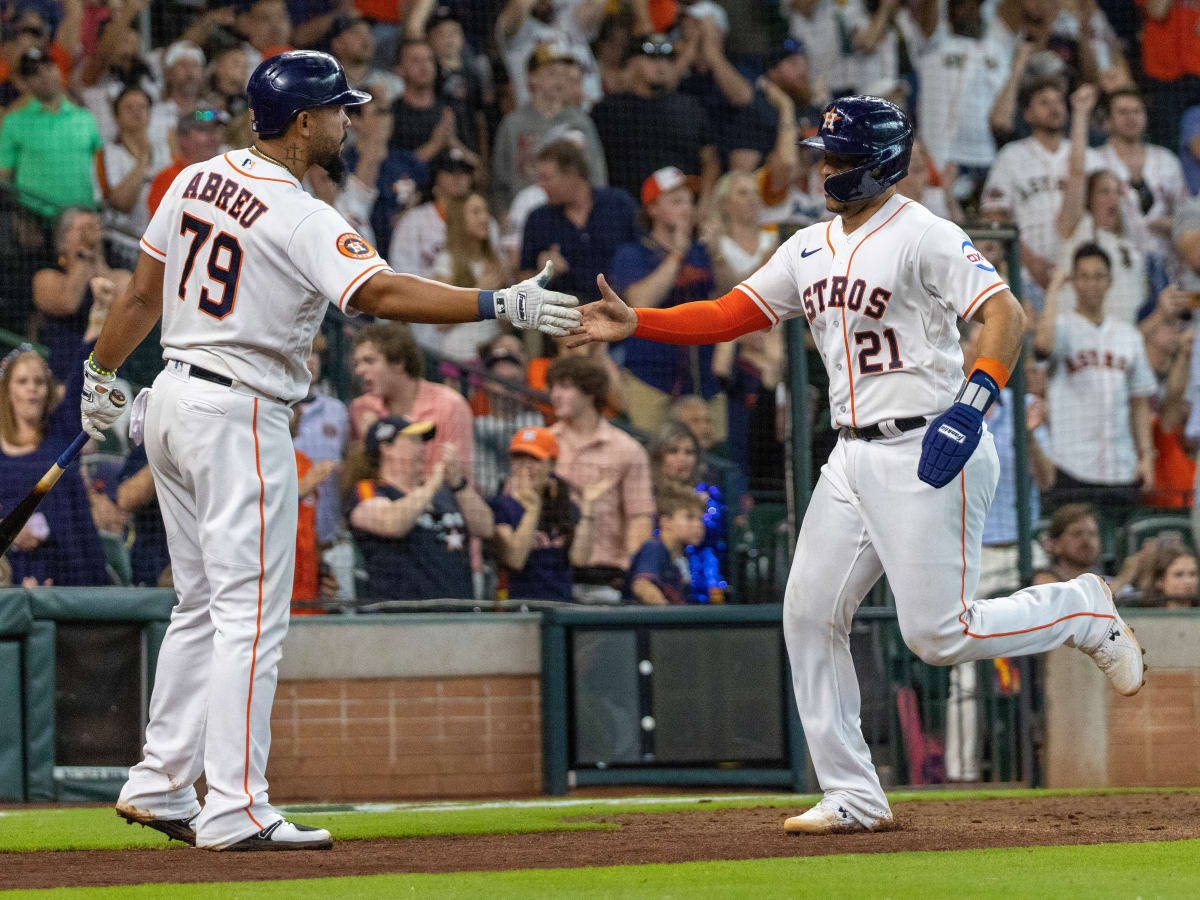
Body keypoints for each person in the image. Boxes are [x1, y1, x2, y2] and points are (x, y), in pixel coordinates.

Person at [568, 94, 1146, 834]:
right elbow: (731, 313)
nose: (825, 167)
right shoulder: (807, 245)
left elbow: (1006, 314)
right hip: (851, 452)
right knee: (808, 614)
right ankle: (853, 793)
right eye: (824, 154)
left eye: (839, 157)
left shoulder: (924, 233)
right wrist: (639, 321)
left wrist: (972, 404)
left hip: (931, 443)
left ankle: (1080, 608)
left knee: (937, 637)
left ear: (882, 164)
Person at [81, 50, 579, 853]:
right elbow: (377, 293)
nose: (350, 120)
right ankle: (235, 805)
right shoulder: (301, 212)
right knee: (248, 614)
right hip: (237, 407)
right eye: (339, 110)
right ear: (304, 121)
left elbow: (141, 293)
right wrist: (499, 301)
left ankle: (160, 779)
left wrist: (102, 369)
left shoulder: (192, 178)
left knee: (201, 605)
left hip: (169, 397)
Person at [1033, 245, 1157, 519]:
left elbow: (1139, 401)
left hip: (1121, 466)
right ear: (1074, 281)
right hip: (1072, 465)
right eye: (1084, 276)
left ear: (1110, 281)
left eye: (1099, 276)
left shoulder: (1128, 335)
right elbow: (1042, 345)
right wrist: (1054, 289)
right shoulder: (1063, 327)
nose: (1092, 284)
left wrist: (1146, 456)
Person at [608, 166, 721, 437]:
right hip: (651, 378)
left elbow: (732, 295)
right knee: (651, 455)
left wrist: (719, 255)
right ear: (653, 209)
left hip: (704, 378)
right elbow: (640, 302)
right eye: (676, 201)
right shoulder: (632, 253)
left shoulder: (703, 251)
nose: (687, 208)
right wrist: (677, 254)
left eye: (689, 201)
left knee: (716, 465)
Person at [349, 415, 493, 602]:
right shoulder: (369, 490)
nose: (422, 447)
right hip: (402, 617)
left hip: (458, 613)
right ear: (386, 447)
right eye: (413, 440)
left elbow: (485, 528)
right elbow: (393, 523)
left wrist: (459, 484)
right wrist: (433, 483)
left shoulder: (445, 492)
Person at [546, 355, 654, 602]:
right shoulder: (543, 444)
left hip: (607, 577)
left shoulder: (628, 449)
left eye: (565, 386)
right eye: (552, 387)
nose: (554, 395)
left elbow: (639, 518)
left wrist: (632, 575)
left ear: (590, 392)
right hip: (552, 573)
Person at [0, 345, 107, 588]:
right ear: (8, 390)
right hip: (11, 576)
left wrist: (99, 319)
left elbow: (85, 373)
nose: (32, 388)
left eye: (39, 381)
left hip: (71, 569)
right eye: (23, 381)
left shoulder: (63, 435)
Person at [982, 79, 1097, 291]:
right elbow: (994, 215)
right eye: (1044, 103)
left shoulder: (1087, 155)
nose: (1054, 108)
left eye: (1059, 102)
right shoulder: (1011, 156)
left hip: (1080, 272)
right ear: (1027, 114)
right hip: (1024, 273)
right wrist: (1030, 261)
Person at [590, 34, 720, 202]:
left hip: (681, 210)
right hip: (627, 211)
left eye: (667, 59)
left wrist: (705, 202)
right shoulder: (608, 110)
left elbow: (710, 160)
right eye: (652, 58)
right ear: (632, 62)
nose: (661, 65)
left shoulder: (690, 107)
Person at [488, 425, 606, 601]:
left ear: (551, 464)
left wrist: (588, 509)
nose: (525, 467)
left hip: (561, 608)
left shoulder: (565, 506)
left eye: (534, 459)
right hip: (519, 610)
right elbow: (515, 560)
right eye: (519, 458)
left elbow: (580, 559)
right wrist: (532, 509)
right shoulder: (500, 506)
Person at [490, 42, 607, 214]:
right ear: (532, 77)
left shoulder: (580, 122)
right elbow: (499, 182)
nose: (559, 82)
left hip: (573, 214)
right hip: (526, 213)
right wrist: (503, 216)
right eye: (552, 74)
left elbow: (597, 176)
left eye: (563, 75)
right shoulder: (513, 124)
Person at [349, 322, 477, 476]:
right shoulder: (360, 407)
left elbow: (458, 478)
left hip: (436, 497)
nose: (359, 370)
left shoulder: (450, 404)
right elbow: (357, 480)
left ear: (398, 362)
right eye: (357, 363)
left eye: (369, 361)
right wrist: (366, 445)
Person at [519, 138, 637, 303]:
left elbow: (645, 252)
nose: (540, 185)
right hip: (564, 316)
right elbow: (522, 283)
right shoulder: (538, 219)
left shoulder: (618, 205)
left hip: (622, 308)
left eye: (546, 178)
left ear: (571, 174)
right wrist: (543, 273)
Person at [0, 48, 103, 218]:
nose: (44, 76)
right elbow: (4, 178)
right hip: (33, 220)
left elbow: (100, 171)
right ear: (24, 82)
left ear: (58, 70)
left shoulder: (85, 117)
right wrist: (16, 218)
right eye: (35, 73)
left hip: (82, 219)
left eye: (48, 67)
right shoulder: (13, 121)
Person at [33, 208, 130, 384]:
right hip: (64, 373)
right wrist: (85, 252)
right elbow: (68, 302)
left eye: (93, 228)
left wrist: (95, 258)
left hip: (109, 377)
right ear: (62, 240)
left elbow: (125, 309)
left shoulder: (120, 276)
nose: (90, 234)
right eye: (82, 229)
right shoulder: (46, 278)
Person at [648, 420, 728, 604]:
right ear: (659, 456)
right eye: (673, 451)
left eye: (689, 452)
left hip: (706, 591)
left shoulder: (709, 496)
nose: (682, 459)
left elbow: (714, 537)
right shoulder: (646, 496)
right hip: (662, 589)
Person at [427, 191, 509, 362]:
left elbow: (505, 322)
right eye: (476, 212)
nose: (485, 217)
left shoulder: (495, 260)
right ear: (459, 220)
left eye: (486, 211)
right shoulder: (446, 262)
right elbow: (440, 323)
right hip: (460, 360)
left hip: (492, 357)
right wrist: (479, 293)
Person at [97, 86, 173, 268]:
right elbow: (122, 202)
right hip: (123, 244)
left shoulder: (164, 150)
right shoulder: (108, 153)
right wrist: (142, 161)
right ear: (116, 116)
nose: (137, 113)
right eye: (129, 108)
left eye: (142, 107)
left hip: (161, 245)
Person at [628, 485, 707, 605]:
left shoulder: (682, 557)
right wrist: (666, 612)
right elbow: (642, 585)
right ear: (666, 522)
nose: (698, 525)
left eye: (700, 519)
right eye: (689, 517)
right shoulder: (653, 548)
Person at [146, 107, 229, 218]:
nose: (213, 136)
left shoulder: (227, 177)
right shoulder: (169, 178)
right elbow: (159, 226)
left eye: (216, 130)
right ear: (183, 138)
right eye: (203, 130)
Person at [1037, 503, 1103, 583]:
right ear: (1056, 543)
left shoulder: (1101, 581)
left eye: (1092, 533)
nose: (1086, 540)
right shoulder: (1046, 583)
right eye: (1077, 534)